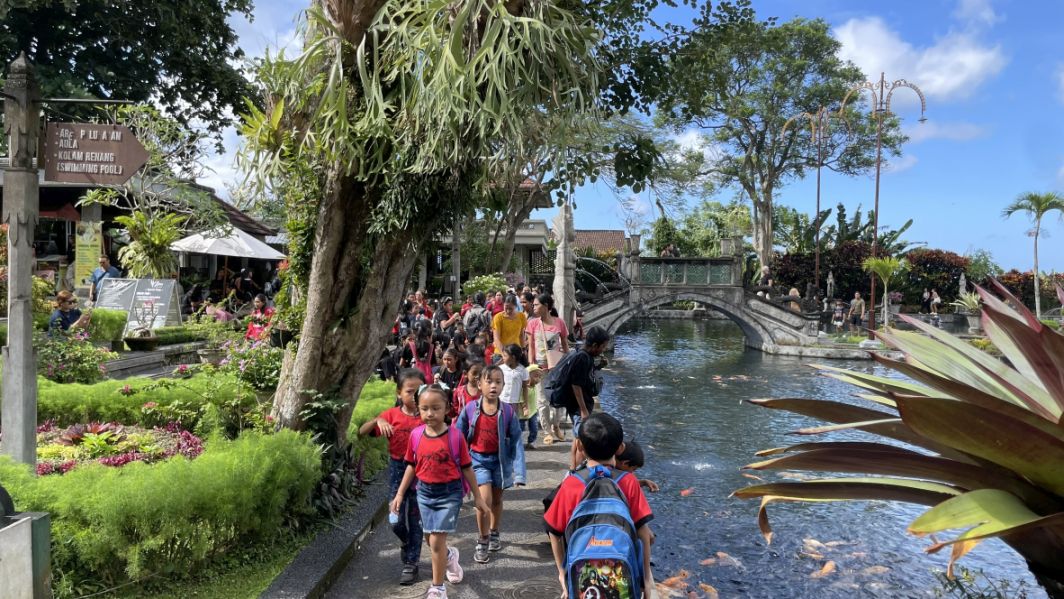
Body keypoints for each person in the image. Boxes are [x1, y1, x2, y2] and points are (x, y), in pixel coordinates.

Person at [392, 384, 488, 599]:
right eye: (424, 408)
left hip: (449, 493)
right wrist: (399, 494)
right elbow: (411, 465)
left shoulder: (455, 437)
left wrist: (478, 497)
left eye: (436, 408)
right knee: (430, 539)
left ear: (447, 409)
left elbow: (467, 468)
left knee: (435, 541)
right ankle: (450, 556)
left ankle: (438, 588)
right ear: (418, 409)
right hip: (424, 493)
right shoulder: (416, 435)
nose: (430, 413)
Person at [544, 412, 654, 599]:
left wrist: (563, 573)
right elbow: (643, 533)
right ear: (620, 448)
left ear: (580, 445)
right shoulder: (628, 482)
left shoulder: (571, 483)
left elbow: (554, 531)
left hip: (582, 581)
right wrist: (647, 578)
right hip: (622, 579)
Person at [360, 369, 426, 585]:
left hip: (421, 475)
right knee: (395, 521)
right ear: (399, 393)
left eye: (419, 391)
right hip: (398, 472)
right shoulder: (391, 415)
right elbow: (361, 432)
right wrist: (377, 420)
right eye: (410, 391)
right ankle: (407, 542)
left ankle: (411, 564)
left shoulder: (428, 416)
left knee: (416, 521)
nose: (415, 396)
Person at [455, 364, 522, 565]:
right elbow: (457, 435)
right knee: (484, 500)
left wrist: (519, 473)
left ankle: (494, 531)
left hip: (500, 462)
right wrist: (455, 462)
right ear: (479, 384)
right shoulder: (470, 409)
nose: (493, 386)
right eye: (489, 381)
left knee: (497, 500)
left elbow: (517, 441)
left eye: (498, 382)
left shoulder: (508, 412)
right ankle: (483, 539)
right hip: (477, 461)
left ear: (503, 385)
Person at [564, 326, 611, 470]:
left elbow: (585, 376)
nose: (603, 349)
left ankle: (573, 468)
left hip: (581, 405)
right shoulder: (582, 358)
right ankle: (575, 471)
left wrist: (598, 366)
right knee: (582, 440)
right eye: (603, 346)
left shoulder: (585, 355)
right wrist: (583, 410)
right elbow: (576, 384)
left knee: (578, 437)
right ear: (595, 345)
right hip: (579, 407)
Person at [526, 293, 570, 444]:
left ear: (545, 306)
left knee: (557, 398)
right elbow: (531, 347)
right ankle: (547, 431)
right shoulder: (532, 324)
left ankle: (556, 425)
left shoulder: (559, 323)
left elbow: (565, 344)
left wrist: (568, 363)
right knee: (542, 400)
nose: (534, 307)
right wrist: (531, 366)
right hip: (540, 367)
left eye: (536, 305)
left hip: (557, 366)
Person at [498, 344, 531, 486]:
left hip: (513, 405)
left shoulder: (522, 371)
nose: (503, 358)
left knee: (514, 435)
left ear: (513, 357)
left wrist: (525, 405)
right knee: (501, 434)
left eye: (505, 356)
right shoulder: (500, 369)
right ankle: (504, 464)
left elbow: (525, 389)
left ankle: (517, 470)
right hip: (500, 403)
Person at [492, 294, 527, 359]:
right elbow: (496, 339)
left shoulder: (521, 316)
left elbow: (521, 335)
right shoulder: (498, 318)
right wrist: (504, 354)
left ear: (515, 306)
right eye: (506, 308)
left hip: (516, 353)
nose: (508, 311)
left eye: (510, 309)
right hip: (500, 353)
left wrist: (523, 349)